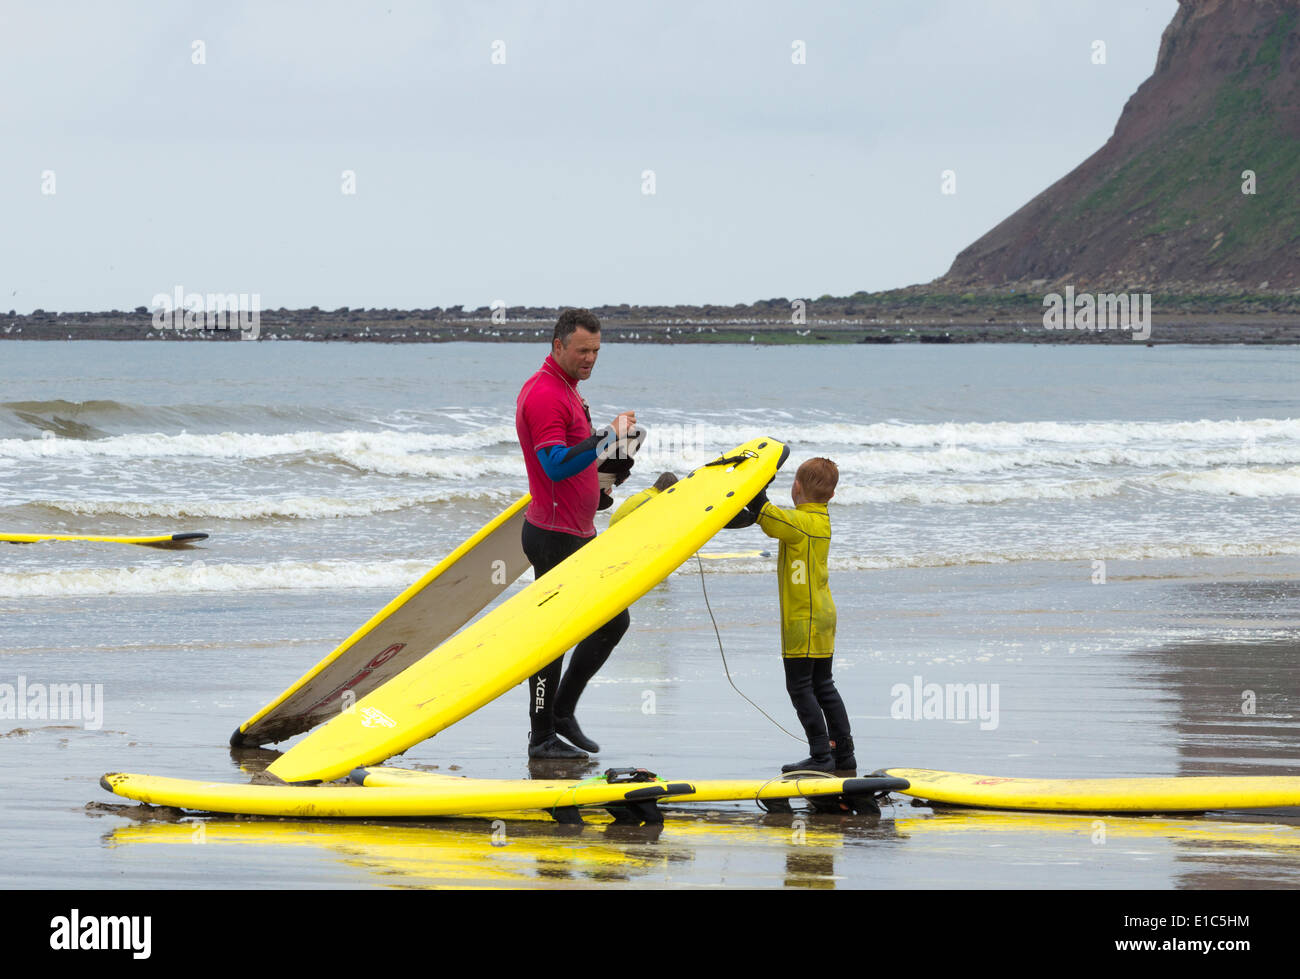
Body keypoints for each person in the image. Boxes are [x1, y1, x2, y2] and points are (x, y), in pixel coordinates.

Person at [515, 308, 636, 759]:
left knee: (608, 622)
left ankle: (557, 718)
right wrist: (606, 437)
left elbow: (573, 465)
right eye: (582, 350)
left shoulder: (567, 388)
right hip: (553, 535)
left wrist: (605, 480)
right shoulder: (546, 394)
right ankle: (543, 733)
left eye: (596, 351)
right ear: (558, 346)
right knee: (555, 637)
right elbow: (553, 464)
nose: (590, 358)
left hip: (574, 528)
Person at [744, 457, 855, 773]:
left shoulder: (800, 524)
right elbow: (770, 515)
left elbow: (765, 513)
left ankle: (821, 756)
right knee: (823, 685)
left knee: (800, 687)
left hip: (803, 620)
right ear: (831, 496)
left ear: (795, 487)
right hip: (823, 617)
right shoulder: (820, 521)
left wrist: (755, 479)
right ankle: (843, 755)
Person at [609, 471, 677, 526]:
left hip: (612, 526)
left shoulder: (646, 493)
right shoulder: (655, 500)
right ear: (669, 488)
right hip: (618, 529)